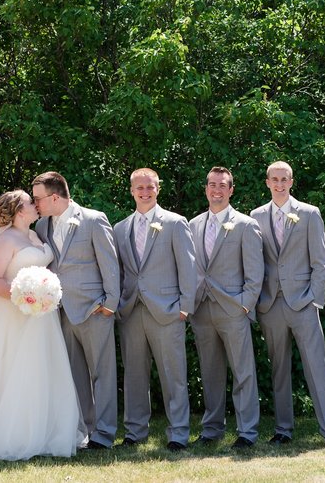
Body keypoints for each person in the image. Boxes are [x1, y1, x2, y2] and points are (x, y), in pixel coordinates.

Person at [0, 190, 80, 460]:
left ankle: (45, 429)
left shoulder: (35, 235)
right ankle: (9, 431)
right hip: (11, 314)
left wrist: (42, 296)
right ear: (20, 210)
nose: (36, 205)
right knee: (10, 369)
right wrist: (24, 296)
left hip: (41, 317)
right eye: (30, 203)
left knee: (41, 368)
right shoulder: (4, 238)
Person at [250, 161, 325, 449]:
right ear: (267, 182)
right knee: (279, 368)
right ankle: (283, 429)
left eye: (284, 179)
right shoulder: (255, 217)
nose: (279, 184)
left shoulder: (309, 214)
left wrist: (314, 298)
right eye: (274, 179)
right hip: (271, 303)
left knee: (316, 365)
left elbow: (321, 262)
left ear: (292, 182)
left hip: (303, 301)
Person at [31, 171, 119, 450]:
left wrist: (110, 304)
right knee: (75, 375)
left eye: (38, 199)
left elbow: (110, 264)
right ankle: (85, 431)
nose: (35, 204)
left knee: (103, 374)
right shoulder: (42, 226)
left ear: (55, 197)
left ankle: (104, 434)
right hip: (62, 312)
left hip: (95, 309)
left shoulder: (93, 220)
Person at [113, 169, 196, 451]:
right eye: (139, 187)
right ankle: (135, 432)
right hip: (132, 311)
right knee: (134, 375)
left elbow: (188, 268)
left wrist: (185, 308)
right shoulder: (120, 228)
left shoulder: (175, 223)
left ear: (158, 189)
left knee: (174, 376)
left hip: (168, 311)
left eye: (150, 187)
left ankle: (178, 434)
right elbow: (122, 272)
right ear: (131, 189)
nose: (144, 191)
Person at [188, 166, 263, 449]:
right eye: (211, 184)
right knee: (210, 371)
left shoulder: (245, 224)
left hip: (233, 309)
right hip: (202, 309)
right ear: (205, 188)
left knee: (243, 372)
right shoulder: (193, 225)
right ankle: (212, 428)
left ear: (231, 190)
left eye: (222, 185)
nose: (216, 190)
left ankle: (247, 431)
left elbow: (255, 273)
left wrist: (244, 306)